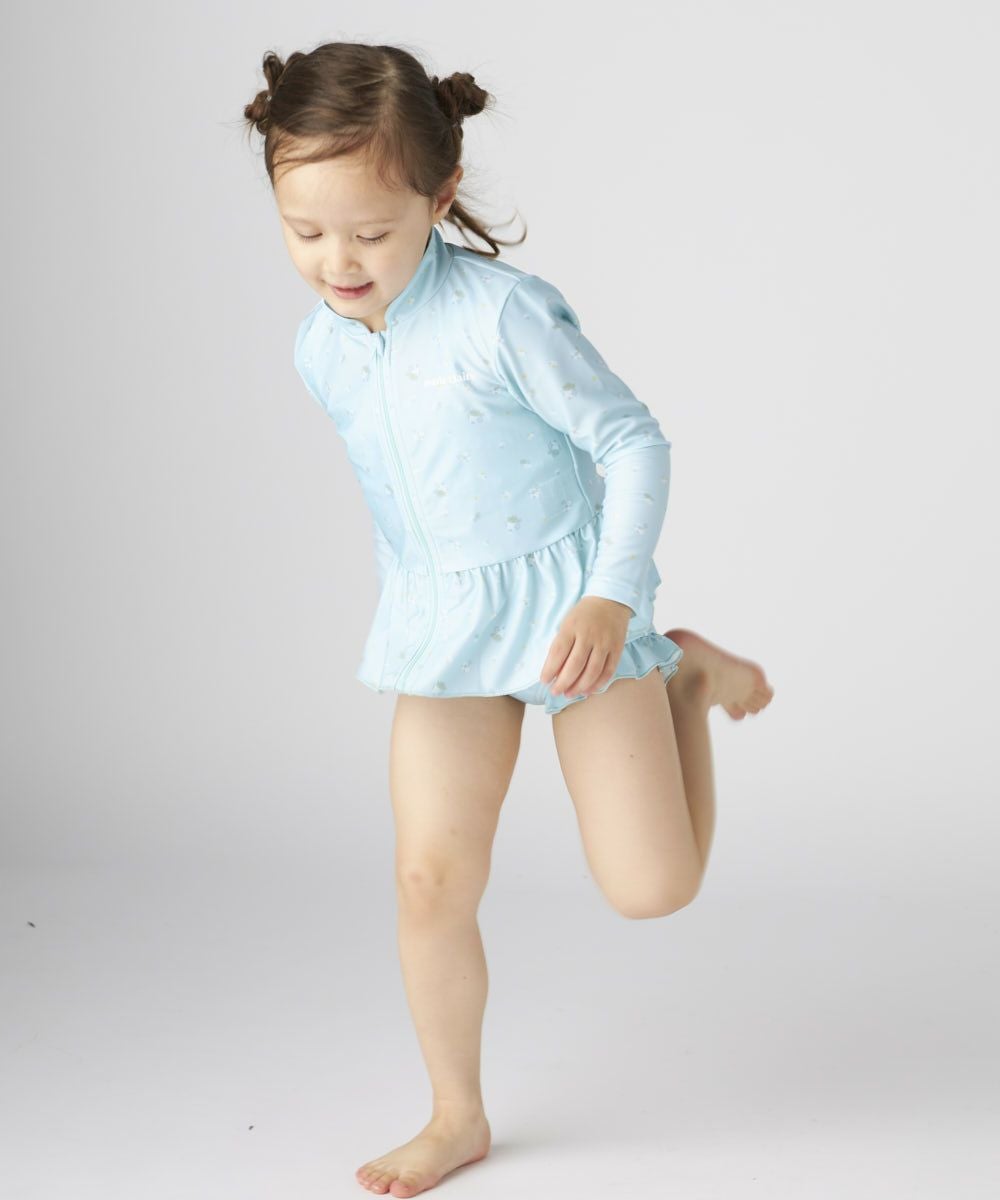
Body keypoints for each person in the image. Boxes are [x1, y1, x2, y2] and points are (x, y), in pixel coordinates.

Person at [243, 40, 774, 1199]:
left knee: (651, 888)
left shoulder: (505, 316)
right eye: (304, 230)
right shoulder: (322, 348)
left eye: (370, 232)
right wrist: (419, 609)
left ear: (438, 198)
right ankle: (457, 1114)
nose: (337, 261)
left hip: (576, 614)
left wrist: (612, 595)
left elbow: (633, 443)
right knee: (427, 880)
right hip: (446, 634)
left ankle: (685, 682)